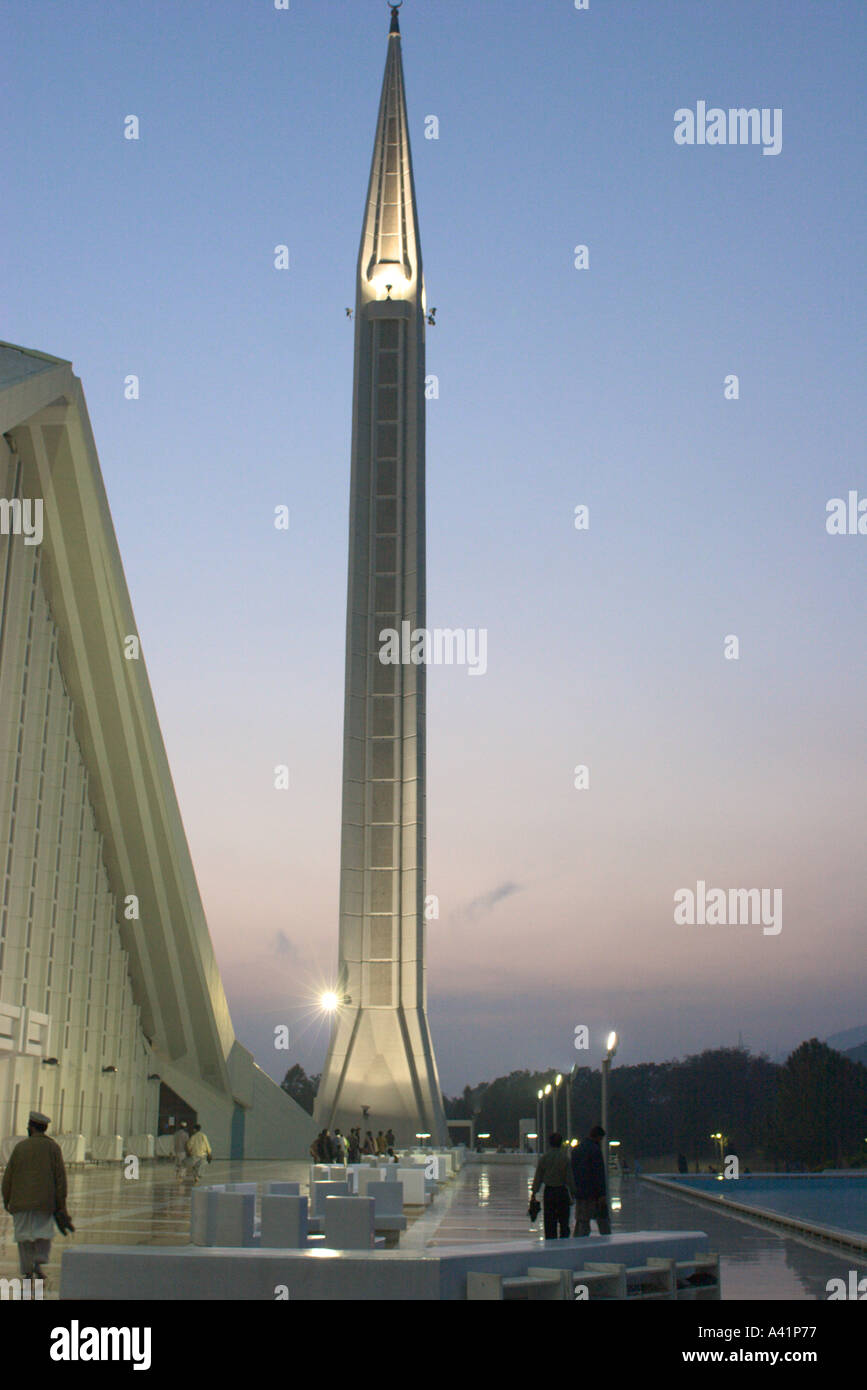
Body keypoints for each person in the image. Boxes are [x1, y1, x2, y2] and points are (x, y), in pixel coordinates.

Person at [1, 1110, 69, 1285]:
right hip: (44, 1203)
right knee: (43, 1234)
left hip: (20, 1201)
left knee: (23, 1237)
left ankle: (27, 1270)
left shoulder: (20, 1147)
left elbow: (8, 1177)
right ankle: (38, 1262)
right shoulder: (53, 1147)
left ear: (31, 1127)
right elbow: (60, 1178)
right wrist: (61, 1204)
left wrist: (6, 1199)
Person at [530, 1131, 575, 1239]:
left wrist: (534, 1193)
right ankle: (564, 1242)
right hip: (561, 1192)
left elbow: (538, 1177)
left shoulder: (544, 1158)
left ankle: (551, 1243)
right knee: (564, 1221)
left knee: (550, 1222)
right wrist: (573, 1193)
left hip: (549, 1192)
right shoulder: (565, 1158)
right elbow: (569, 1178)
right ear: (561, 1143)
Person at [571, 1125, 611, 1237]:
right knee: (603, 1220)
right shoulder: (595, 1150)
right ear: (598, 1137)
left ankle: (578, 1242)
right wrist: (602, 1194)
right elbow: (599, 1173)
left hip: (580, 1192)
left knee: (582, 1221)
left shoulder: (576, 1150)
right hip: (593, 1193)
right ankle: (607, 1242)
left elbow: (572, 1172)